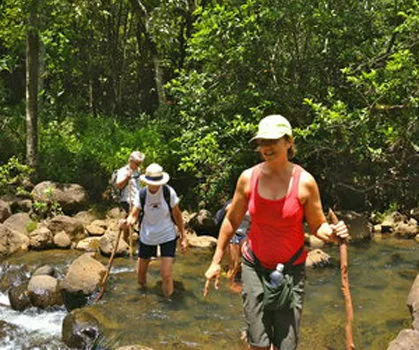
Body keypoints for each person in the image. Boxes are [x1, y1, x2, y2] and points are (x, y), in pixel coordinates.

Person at [203, 115, 349, 350]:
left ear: (289, 142)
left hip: (291, 269)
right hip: (254, 266)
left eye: (272, 141)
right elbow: (231, 220)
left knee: (286, 345)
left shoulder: (305, 182)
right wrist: (216, 261)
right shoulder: (248, 178)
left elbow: (317, 225)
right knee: (258, 343)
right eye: (262, 142)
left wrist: (333, 233)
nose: (266, 148)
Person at [121, 163, 188, 298]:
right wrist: (126, 223)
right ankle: (144, 299)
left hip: (167, 235)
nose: (155, 185)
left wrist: (183, 236)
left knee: (166, 274)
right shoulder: (142, 194)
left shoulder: (168, 192)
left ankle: (169, 302)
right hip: (147, 235)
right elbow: (134, 215)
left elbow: (177, 215)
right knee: (140, 275)